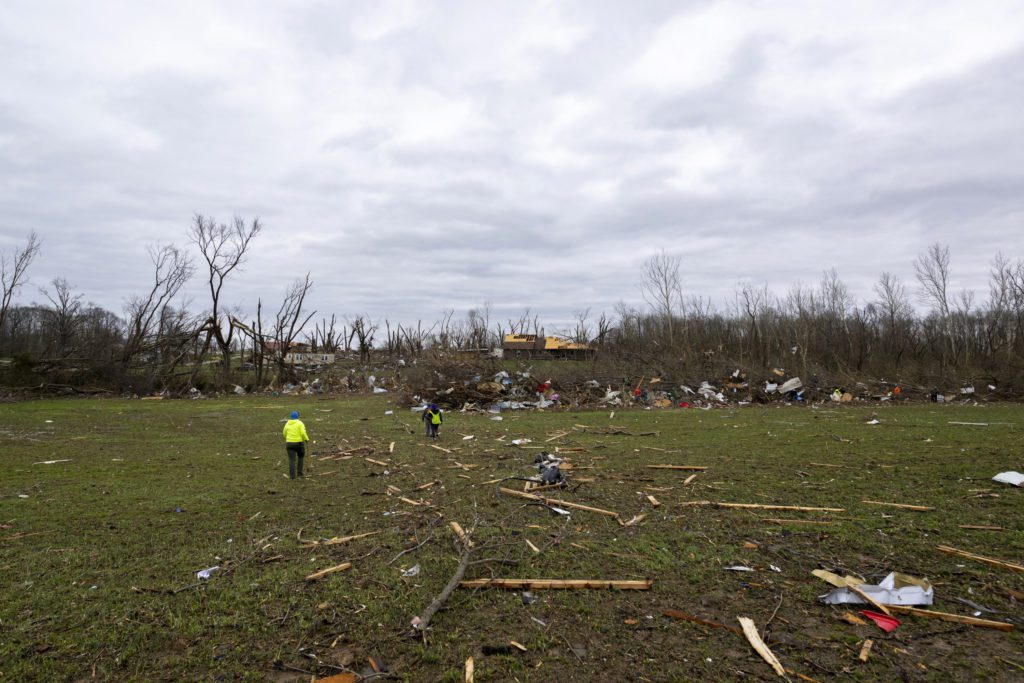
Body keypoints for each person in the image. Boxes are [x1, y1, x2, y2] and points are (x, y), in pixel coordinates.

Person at [282, 410, 309, 479]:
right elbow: (303, 433)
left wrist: (288, 439)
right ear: (298, 416)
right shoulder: (300, 423)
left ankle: (292, 476)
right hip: (299, 443)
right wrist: (306, 439)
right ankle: (299, 473)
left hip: (289, 444)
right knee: (300, 457)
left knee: (291, 460)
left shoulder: (287, 423)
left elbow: (284, 433)